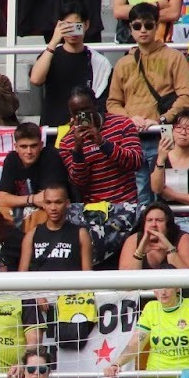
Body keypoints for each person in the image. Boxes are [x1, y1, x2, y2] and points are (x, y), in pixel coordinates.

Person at [105, 2, 189, 203]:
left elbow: (188, 96)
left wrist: (163, 119)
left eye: (148, 25)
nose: (143, 30)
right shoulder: (123, 63)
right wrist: (131, 119)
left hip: (164, 133)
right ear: (130, 29)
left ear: (157, 26)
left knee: (166, 194)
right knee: (139, 197)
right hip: (131, 136)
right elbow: (113, 103)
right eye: (137, 26)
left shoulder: (174, 57)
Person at [56, 89, 146, 261]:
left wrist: (103, 143)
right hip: (94, 215)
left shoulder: (122, 124)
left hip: (126, 208)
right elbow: (79, 182)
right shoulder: (67, 141)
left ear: (96, 105)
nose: (81, 116)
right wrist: (77, 150)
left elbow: (135, 161)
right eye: (75, 113)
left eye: (85, 110)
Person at [149, 109, 189, 264]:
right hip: (165, 222)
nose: (183, 133)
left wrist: (173, 195)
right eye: (179, 127)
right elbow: (156, 188)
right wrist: (161, 159)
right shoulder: (160, 158)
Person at [28, 9, 111, 128]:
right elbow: (36, 80)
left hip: (83, 128)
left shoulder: (97, 60)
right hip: (53, 128)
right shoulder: (50, 55)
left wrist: (86, 125)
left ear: (86, 25)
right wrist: (53, 41)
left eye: (77, 26)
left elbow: (101, 101)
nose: (72, 32)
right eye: (67, 26)